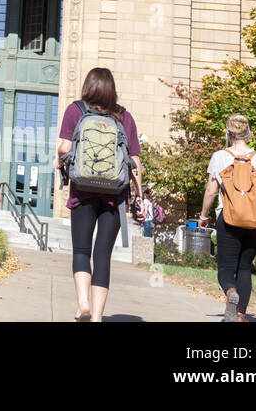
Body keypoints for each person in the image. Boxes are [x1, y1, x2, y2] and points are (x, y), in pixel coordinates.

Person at [56, 67, 143, 322]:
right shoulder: (124, 117)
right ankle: (96, 318)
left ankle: (82, 303)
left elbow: (64, 147)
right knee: (102, 255)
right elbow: (136, 163)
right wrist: (140, 197)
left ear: (88, 86)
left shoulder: (76, 110)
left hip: (82, 192)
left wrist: (60, 161)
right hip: (115, 197)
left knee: (81, 251)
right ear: (112, 90)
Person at [198, 114, 256, 322]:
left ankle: (231, 293)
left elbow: (210, 192)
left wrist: (204, 215)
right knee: (244, 266)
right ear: (248, 133)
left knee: (225, 268)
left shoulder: (219, 157)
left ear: (228, 132)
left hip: (229, 220)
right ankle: (240, 314)